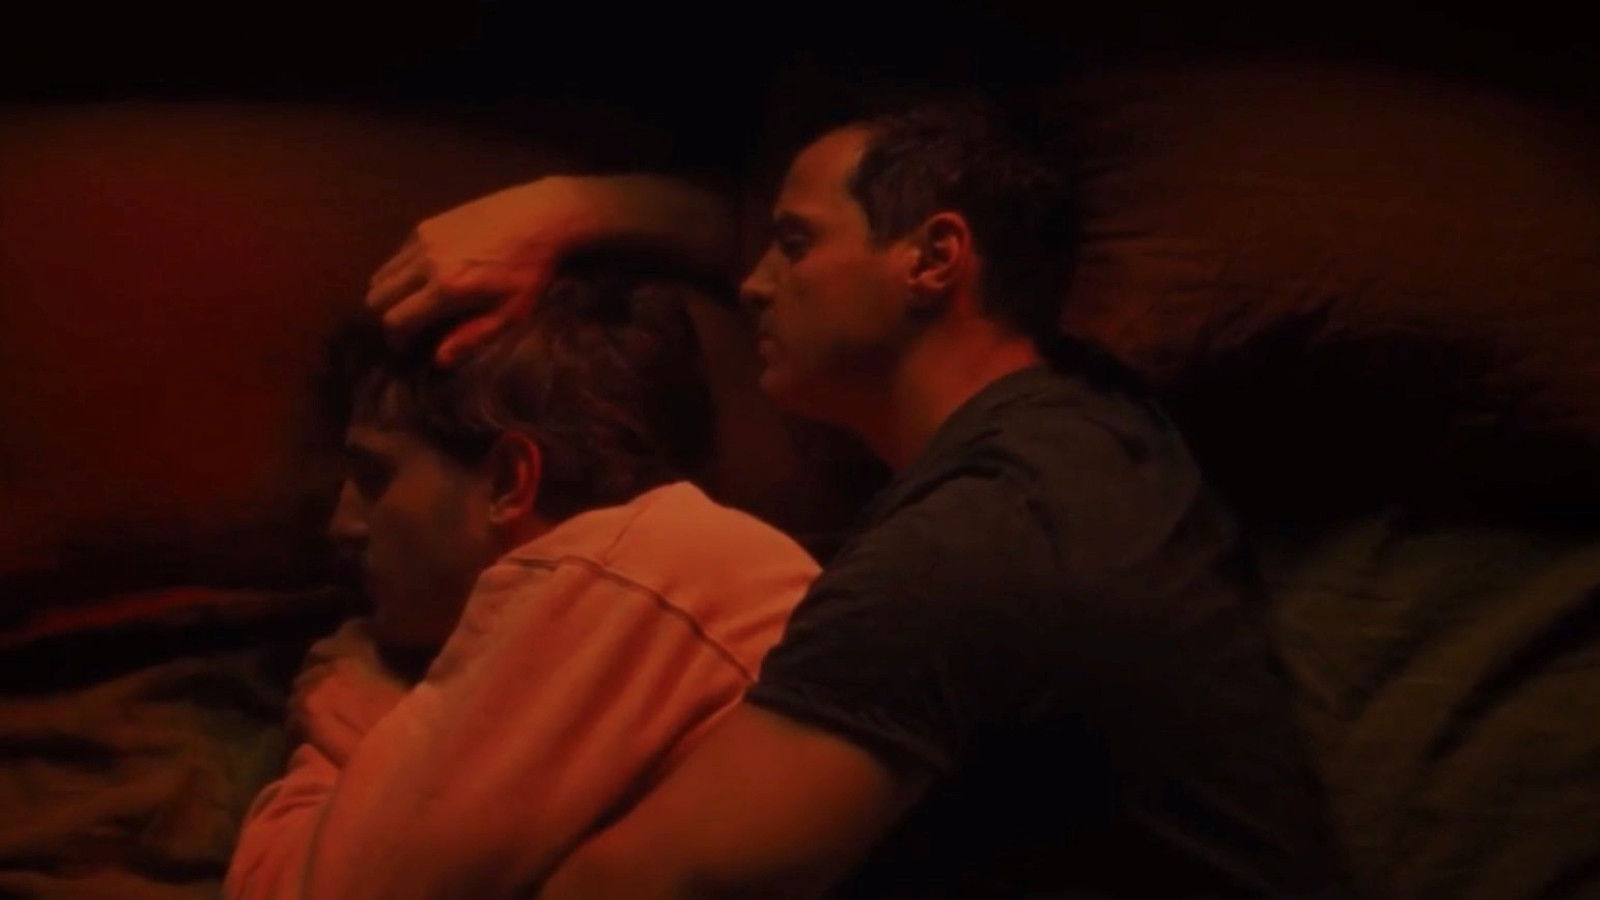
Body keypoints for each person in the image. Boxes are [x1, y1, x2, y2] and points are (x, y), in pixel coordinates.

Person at [370, 102, 1342, 896]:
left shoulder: (977, 538)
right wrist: (568, 210)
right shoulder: (1097, 423)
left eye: (792, 245)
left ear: (933, 259)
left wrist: (376, 736)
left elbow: (644, 884)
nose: (753, 285)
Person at [224, 267, 820, 898]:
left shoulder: (636, 569)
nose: (343, 523)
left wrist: (347, 711)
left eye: (375, 478)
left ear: (509, 482)